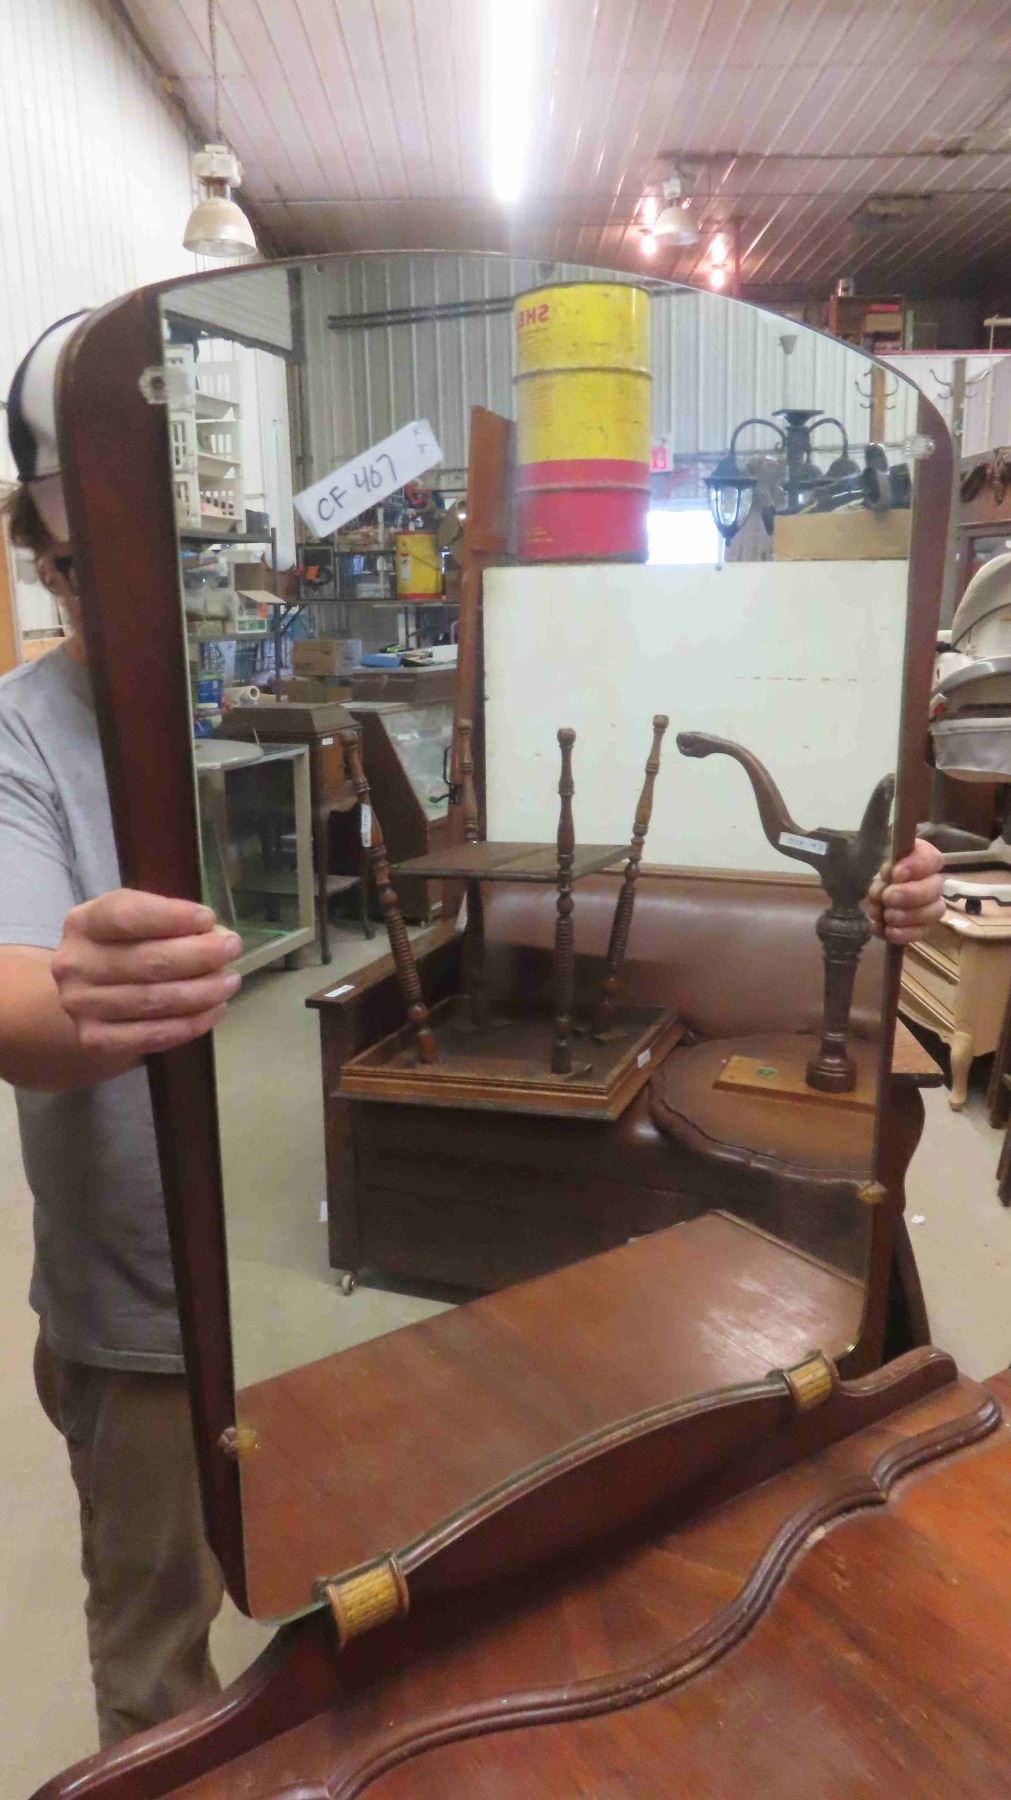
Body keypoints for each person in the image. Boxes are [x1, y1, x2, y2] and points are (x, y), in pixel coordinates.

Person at [0, 315, 945, 1750]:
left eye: (167, 560)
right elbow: (14, 995)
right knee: (158, 1672)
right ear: (43, 548)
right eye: (92, 561)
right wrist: (73, 996)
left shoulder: (241, 707)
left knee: (360, 1602)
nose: (137, 596)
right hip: (142, 1311)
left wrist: (887, 893)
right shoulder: (22, 737)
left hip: (273, 1317)